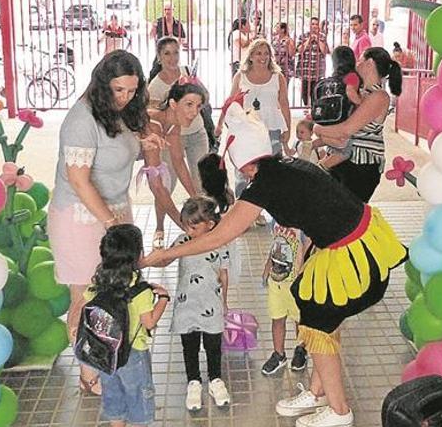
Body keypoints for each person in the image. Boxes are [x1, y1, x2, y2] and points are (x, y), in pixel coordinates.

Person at [142, 101, 407, 427]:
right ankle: (317, 392)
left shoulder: (264, 184)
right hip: (361, 243)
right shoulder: (285, 165)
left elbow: (219, 235)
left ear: (240, 162)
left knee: (318, 321)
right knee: (318, 319)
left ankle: (340, 411)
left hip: (352, 255)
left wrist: (166, 255)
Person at [47, 50, 164, 395]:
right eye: (118, 90)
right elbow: (79, 179)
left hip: (113, 214)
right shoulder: (81, 119)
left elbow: (114, 151)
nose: (125, 97)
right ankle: (88, 374)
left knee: (117, 295)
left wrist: (143, 144)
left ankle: (108, 357)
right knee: (86, 297)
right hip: (80, 220)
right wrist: (112, 223)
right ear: (102, 84)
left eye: (131, 90)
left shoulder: (118, 113)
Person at [89, 224, 170, 427]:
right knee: (138, 398)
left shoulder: (98, 283)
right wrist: (163, 299)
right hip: (133, 353)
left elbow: (84, 306)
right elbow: (149, 322)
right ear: (138, 255)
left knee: (113, 395)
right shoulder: (140, 291)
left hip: (106, 352)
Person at [160, 196, 232, 411]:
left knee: (213, 346)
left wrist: (224, 301)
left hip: (211, 303)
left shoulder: (220, 244)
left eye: (194, 226)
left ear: (210, 225)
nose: (189, 231)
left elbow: (223, 274)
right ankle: (193, 382)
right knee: (189, 346)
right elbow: (166, 259)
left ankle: (215, 380)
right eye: (186, 226)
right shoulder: (182, 241)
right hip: (187, 305)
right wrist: (151, 258)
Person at [314, 47, 402, 203]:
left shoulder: (379, 96)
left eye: (360, 59)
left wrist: (317, 129)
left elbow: (346, 130)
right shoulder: (358, 92)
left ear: (369, 63)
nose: (356, 63)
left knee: (348, 218)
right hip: (344, 162)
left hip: (360, 166)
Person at [142, 79, 209, 249]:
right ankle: (159, 228)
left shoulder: (173, 124)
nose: (194, 112)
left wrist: (197, 199)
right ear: (173, 103)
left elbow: (178, 162)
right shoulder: (153, 124)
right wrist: (184, 226)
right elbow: (156, 186)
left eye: (199, 106)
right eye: (189, 104)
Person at [226, 38, 292, 196]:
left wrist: (288, 129)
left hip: (272, 128)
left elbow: (284, 104)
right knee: (243, 170)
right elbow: (231, 103)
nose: (262, 57)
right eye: (258, 53)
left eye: (266, 54)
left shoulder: (278, 77)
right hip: (246, 130)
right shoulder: (240, 76)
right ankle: (243, 207)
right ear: (250, 56)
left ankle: (271, 207)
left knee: (271, 170)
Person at [260, 219, 308, 376]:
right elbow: (275, 246)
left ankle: (301, 349)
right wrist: (267, 267)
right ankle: (279, 354)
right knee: (277, 318)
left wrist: (301, 278)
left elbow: (307, 249)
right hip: (277, 282)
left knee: (299, 320)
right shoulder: (277, 220)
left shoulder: (304, 224)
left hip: (295, 284)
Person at [315, 46, 361, 173]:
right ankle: (321, 167)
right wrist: (362, 104)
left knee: (334, 146)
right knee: (345, 150)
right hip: (342, 119)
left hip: (327, 120)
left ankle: (317, 146)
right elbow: (350, 92)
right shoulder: (352, 76)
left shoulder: (332, 78)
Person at [296, 17, 330, 107]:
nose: (314, 26)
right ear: (309, 25)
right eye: (312, 24)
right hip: (305, 70)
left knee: (316, 93)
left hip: (317, 71)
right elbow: (299, 50)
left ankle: (314, 110)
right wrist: (308, 40)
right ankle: (306, 108)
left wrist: (318, 40)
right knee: (304, 92)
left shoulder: (322, 36)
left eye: (316, 24)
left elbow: (325, 51)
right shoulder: (303, 36)